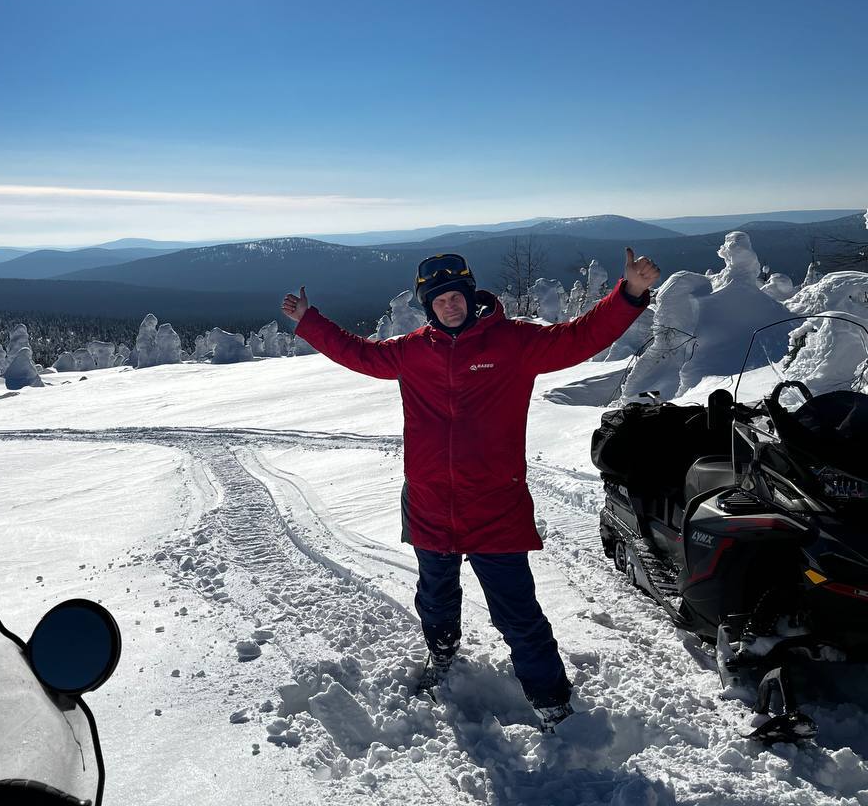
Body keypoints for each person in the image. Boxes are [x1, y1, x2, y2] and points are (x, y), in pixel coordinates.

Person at [281, 247, 659, 730]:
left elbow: (579, 338)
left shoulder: (512, 343)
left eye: (455, 296)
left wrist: (628, 294)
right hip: (428, 502)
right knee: (434, 597)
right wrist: (309, 321)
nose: (449, 305)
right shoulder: (413, 350)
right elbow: (360, 353)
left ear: (469, 294)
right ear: (427, 304)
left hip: (495, 507)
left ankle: (553, 702)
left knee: (519, 614)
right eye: (438, 300)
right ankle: (442, 653)